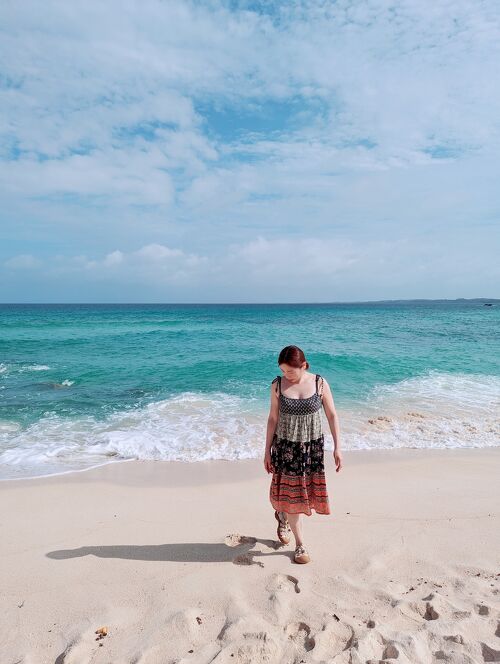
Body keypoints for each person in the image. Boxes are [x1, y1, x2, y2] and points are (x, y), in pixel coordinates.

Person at [264, 345, 342, 564]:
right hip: (286, 448)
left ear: (304, 366)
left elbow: (332, 415)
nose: (285, 375)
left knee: (301, 494)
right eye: (283, 370)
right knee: (293, 496)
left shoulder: (319, 383)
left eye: (290, 371)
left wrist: (338, 447)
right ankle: (300, 544)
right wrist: (267, 451)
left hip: (311, 448)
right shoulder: (277, 385)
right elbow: (272, 419)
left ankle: (283, 516)